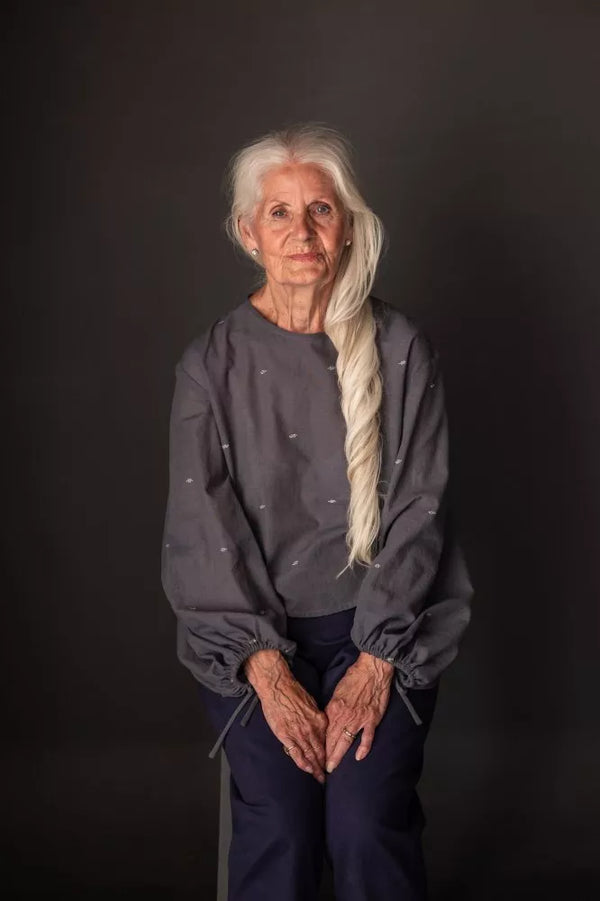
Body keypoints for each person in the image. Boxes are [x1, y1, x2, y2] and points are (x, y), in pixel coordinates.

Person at [160, 122, 474, 901]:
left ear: (347, 226)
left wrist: (374, 662)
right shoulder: (210, 365)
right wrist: (265, 668)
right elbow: (204, 531)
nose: (301, 232)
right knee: (284, 824)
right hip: (256, 644)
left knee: (364, 823)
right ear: (247, 232)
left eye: (321, 211)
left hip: (381, 636)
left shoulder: (401, 348)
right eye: (279, 213)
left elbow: (420, 511)